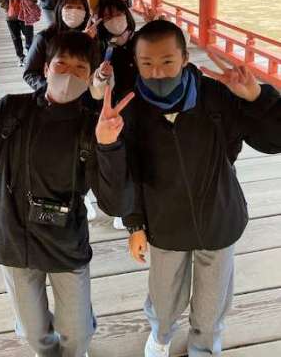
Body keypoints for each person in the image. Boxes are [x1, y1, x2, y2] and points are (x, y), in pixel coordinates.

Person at [0, 32, 134, 357]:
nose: (69, 74)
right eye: (61, 64)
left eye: (80, 69)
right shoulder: (12, 110)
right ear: (45, 69)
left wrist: (109, 146)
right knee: (33, 331)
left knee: (78, 332)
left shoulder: (94, 126)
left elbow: (116, 203)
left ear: (91, 79)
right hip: (13, 238)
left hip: (65, 242)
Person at [109, 19, 281, 357]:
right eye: (146, 63)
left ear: (185, 58)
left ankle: (204, 345)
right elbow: (126, 173)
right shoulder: (128, 108)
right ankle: (161, 335)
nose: (157, 72)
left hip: (218, 216)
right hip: (163, 223)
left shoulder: (216, 95)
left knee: (213, 297)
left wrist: (257, 97)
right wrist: (134, 223)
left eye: (167, 61)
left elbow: (274, 140)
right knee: (164, 293)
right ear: (136, 63)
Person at [24, 0, 99, 222]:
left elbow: (95, 70)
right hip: (52, 106)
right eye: (69, 6)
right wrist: (53, 87)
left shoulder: (93, 36)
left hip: (85, 106)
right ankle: (70, 197)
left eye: (80, 7)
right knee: (61, 153)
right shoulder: (45, 38)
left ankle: (85, 192)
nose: (74, 11)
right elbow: (30, 73)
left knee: (86, 151)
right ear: (59, 9)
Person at [91, 0, 137, 230]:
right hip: (116, 112)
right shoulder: (102, 48)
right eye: (107, 17)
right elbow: (97, 92)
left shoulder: (141, 39)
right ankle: (125, 210)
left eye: (117, 14)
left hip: (145, 107)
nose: (114, 20)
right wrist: (101, 76)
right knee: (121, 155)